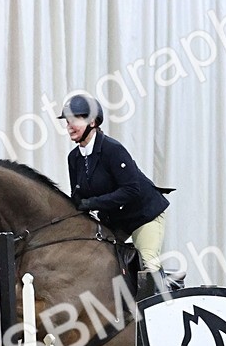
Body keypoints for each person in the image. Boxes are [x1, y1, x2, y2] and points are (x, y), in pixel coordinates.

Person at [59, 94, 169, 271]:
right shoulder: (74, 158)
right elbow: (78, 196)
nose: (69, 126)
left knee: (148, 265)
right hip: (117, 220)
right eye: (67, 121)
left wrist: (93, 203)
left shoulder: (112, 149)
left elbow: (131, 189)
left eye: (75, 120)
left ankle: (166, 287)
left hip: (144, 214)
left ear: (93, 122)